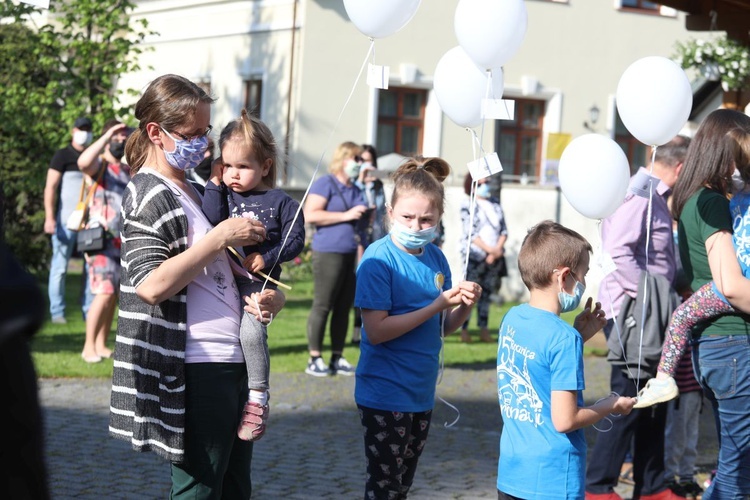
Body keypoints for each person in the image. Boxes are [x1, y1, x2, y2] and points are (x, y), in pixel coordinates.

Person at [109, 74, 286, 498]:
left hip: (231, 359)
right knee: (199, 489)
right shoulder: (148, 192)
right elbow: (151, 285)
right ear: (156, 132)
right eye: (191, 134)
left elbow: (223, 272)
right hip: (196, 364)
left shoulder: (192, 187)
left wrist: (269, 295)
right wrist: (220, 236)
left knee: (232, 488)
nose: (203, 145)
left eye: (205, 131)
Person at [354, 157, 481, 499]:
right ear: (390, 211)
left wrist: (465, 306)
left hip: (420, 391)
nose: (416, 225)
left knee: (403, 485)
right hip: (385, 391)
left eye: (426, 219)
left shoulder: (436, 258)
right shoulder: (378, 261)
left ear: (439, 218)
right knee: (385, 487)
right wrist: (437, 304)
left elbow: (444, 327)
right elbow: (377, 331)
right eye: (408, 217)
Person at [497, 220, 635, 500]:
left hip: (512, 474)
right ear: (564, 277)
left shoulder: (512, 318)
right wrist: (609, 405)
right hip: (553, 480)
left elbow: (537, 363)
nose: (584, 284)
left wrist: (577, 336)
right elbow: (565, 420)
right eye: (582, 275)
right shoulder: (562, 339)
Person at [586, 136, 691, 500]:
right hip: (636, 314)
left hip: (650, 312)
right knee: (629, 399)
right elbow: (618, 254)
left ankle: (651, 485)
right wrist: (655, 295)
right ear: (680, 167)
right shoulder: (639, 195)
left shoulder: (655, 196)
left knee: (655, 398)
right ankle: (598, 487)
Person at [202, 109, 305, 440]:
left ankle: (258, 398)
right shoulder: (224, 193)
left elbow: (296, 239)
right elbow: (210, 221)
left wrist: (267, 257)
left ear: (265, 166)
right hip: (218, 282)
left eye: (243, 166)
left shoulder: (280, 201)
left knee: (251, 333)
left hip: (255, 284)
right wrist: (215, 185)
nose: (233, 173)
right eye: (227, 165)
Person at [667, 109, 750, 499]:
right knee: (738, 466)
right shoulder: (712, 202)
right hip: (732, 344)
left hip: (712, 347)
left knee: (735, 459)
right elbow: (731, 285)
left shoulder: (690, 198)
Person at [636, 128, 750, 411]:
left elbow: (730, 280)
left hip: (730, 284)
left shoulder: (726, 200)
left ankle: (663, 378)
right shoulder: (730, 200)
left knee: (682, 316)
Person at [303, 141, 367, 376]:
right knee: (323, 304)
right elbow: (310, 214)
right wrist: (346, 215)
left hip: (351, 252)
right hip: (328, 251)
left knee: (343, 307)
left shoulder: (357, 188)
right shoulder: (326, 183)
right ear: (343, 159)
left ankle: (337, 357)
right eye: (356, 159)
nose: (360, 164)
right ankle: (314, 357)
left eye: (361, 160)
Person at [76, 120, 131, 363]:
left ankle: (101, 344)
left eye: (123, 137)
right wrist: (108, 132)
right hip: (99, 240)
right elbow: (83, 162)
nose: (120, 141)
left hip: (122, 242)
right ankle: (88, 346)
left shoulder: (128, 170)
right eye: (115, 137)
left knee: (113, 295)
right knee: (104, 292)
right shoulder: (100, 166)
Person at [43, 117, 94, 323]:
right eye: (81, 129)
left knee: (91, 268)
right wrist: (49, 217)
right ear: (73, 131)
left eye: (88, 129)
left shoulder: (94, 157)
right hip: (65, 222)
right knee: (60, 267)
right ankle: (57, 313)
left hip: (90, 223)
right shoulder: (62, 156)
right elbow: (51, 188)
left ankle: (88, 312)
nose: (85, 133)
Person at [458, 173, 508, 343]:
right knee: (469, 293)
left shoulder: (495, 203)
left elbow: (503, 230)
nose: (486, 185)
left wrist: (496, 250)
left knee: (486, 294)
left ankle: (483, 328)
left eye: (487, 181)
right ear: (472, 185)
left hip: (493, 257)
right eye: (481, 183)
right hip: (475, 256)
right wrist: (490, 251)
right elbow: (471, 233)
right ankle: (464, 329)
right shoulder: (468, 204)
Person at [351, 143, 387, 345]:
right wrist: (361, 182)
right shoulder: (354, 185)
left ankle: (370, 327)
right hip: (359, 239)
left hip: (377, 237)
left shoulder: (379, 186)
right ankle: (356, 331)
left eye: (370, 161)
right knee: (358, 283)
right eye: (362, 161)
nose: (367, 165)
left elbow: (382, 211)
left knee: (375, 283)